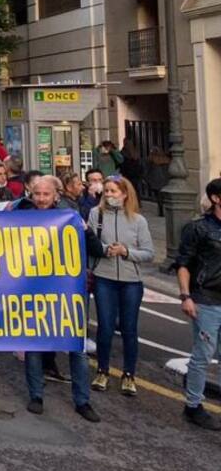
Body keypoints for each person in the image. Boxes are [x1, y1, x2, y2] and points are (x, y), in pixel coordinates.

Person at [19, 175, 99, 421]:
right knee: (34, 344)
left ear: (56, 196)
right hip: (34, 289)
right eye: (37, 194)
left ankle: (82, 401)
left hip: (67, 292)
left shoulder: (70, 217)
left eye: (46, 194)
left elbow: (96, 249)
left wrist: (86, 231)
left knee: (76, 347)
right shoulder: (20, 215)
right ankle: (36, 395)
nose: (41, 199)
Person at [88, 176, 152, 397]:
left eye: (113, 191)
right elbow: (90, 244)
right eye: (106, 191)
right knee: (105, 327)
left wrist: (126, 252)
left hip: (130, 281)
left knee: (129, 329)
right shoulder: (96, 215)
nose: (109, 195)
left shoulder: (138, 221)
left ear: (125, 194)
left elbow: (148, 253)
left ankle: (128, 374)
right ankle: (102, 371)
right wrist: (106, 250)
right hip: (104, 278)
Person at [173, 177, 221, 430]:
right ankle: (193, 405)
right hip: (206, 298)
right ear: (216, 198)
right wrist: (185, 296)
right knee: (203, 355)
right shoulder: (199, 228)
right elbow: (183, 263)